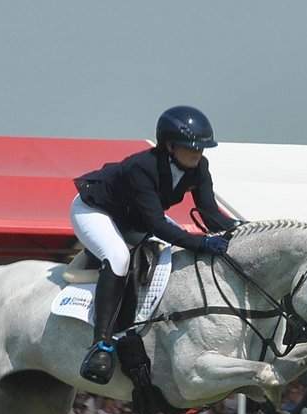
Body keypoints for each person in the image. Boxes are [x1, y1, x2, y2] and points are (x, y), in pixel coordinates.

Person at [70, 105, 239, 384]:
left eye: (202, 148)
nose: (198, 153)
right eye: (192, 147)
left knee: (177, 250)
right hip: (95, 210)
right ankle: (101, 345)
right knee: (119, 257)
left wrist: (242, 229)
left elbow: (210, 214)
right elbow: (158, 225)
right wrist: (202, 243)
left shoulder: (199, 168)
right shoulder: (142, 167)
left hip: (135, 217)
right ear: (170, 146)